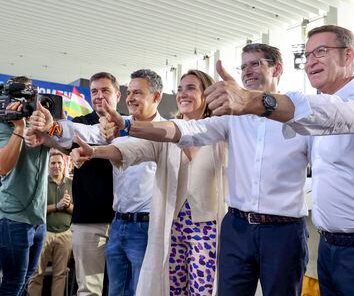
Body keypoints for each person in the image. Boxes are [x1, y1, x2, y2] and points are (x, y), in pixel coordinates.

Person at [202, 25, 354, 296]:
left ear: (348, 56)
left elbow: (340, 116)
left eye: (321, 52)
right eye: (307, 54)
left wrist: (256, 101)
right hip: (330, 249)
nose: (311, 61)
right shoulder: (317, 113)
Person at [97, 45, 311, 296]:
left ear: (278, 68)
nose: (247, 71)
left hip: (266, 229)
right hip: (225, 229)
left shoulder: (296, 113)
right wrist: (121, 129)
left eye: (255, 64)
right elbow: (166, 136)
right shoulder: (225, 122)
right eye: (243, 66)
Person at [71, 70, 228, 296]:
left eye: (191, 88)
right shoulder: (165, 135)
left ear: (207, 94)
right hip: (173, 229)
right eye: (180, 89)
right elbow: (133, 148)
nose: (183, 94)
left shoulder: (219, 131)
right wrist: (94, 152)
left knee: (203, 291)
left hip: (207, 230)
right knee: (174, 289)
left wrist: (124, 123)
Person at [28, 69, 164, 295]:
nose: (99, 96)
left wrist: (91, 150)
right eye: (94, 91)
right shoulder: (105, 126)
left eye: (136, 92)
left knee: (138, 288)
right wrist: (53, 130)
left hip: (141, 223)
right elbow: (78, 134)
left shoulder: (141, 127)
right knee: (98, 289)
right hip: (102, 220)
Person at [27, 72, 120, 296]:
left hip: (124, 221)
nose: (99, 96)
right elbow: (60, 136)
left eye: (105, 90)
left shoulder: (129, 126)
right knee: (89, 289)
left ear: (118, 94)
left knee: (121, 287)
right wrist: (48, 133)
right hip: (88, 220)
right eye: (94, 91)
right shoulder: (79, 124)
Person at [0, 76, 48, 295]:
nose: (25, 103)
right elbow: (3, 167)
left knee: (27, 277)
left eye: (30, 96)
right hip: (12, 217)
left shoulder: (40, 124)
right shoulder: (3, 126)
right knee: (14, 281)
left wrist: (53, 126)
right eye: (20, 97)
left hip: (38, 217)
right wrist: (18, 126)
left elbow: (63, 142)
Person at [27, 150, 73, 296]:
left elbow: (78, 210)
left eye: (59, 163)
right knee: (36, 273)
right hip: (44, 233)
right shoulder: (41, 182)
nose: (56, 166)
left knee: (60, 275)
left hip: (65, 234)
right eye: (53, 163)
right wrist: (57, 206)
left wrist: (68, 206)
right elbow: (35, 208)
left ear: (64, 165)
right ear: (48, 165)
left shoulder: (71, 184)